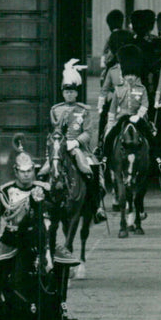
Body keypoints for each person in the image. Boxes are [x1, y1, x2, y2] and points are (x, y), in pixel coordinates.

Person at [0, 143, 78, 320]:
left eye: (29, 170)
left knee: (63, 263)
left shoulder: (45, 189)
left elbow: (56, 215)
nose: (26, 174)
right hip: (12, 239)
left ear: (34, 170)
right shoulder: (6, 192)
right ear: (16, 172)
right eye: (22, 171)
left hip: (41, 238)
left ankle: (62, 306)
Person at [39, 58, 107, 224]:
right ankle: (41, 206)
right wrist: (58, 143)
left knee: (91, 171)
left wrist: (75, 142)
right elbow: (53, 131)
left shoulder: (83, 110)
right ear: (63, 92)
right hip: (59, 147)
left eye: (72, 91)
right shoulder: (55, 110)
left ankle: (96, 207)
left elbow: (88, 133)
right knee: (42, 172)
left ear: (76, 93)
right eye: (66, 91)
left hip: (78, 148)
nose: (69, 94)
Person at [101, 43, 153, 161]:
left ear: (136, 76)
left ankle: (157, 161)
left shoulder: (142, 88)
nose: (130, 77)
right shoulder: (118, 89)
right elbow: (113, 108)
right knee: (109, 137)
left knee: (151, 137)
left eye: (133, 75)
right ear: (124, 76)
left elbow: (145, 104)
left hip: (138, 118)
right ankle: (105, 159)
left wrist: (138, 116)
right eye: (128, 75)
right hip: (121, 118)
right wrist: (110, 123)